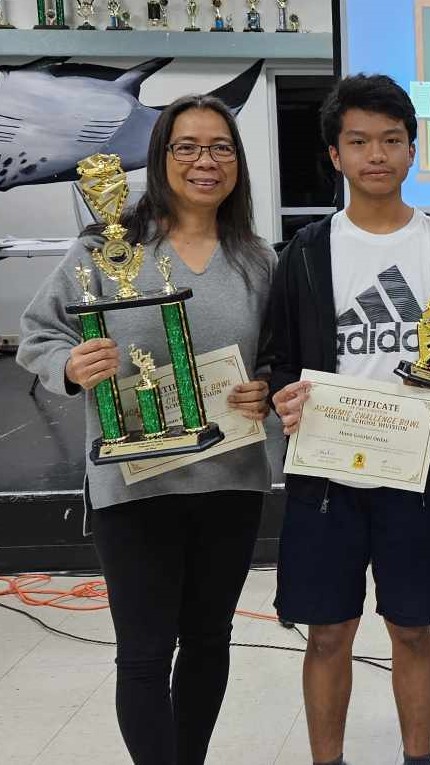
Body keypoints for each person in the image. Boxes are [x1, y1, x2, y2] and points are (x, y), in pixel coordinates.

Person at [18, 94, 274, 765]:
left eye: (220, 147)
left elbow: (279, 355)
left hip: (230, 481)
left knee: (210, 639)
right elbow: (38, 334)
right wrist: (69, 363)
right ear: (159, 159)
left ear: (238, 163)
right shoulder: (104, 247)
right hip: (133, 486)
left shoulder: (258, 259)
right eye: (185, 146)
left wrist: (267, 384)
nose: (204, 161)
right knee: (143, 654)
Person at [263, 73, 430, 765]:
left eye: (392, 140)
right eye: (358, 141)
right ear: (335, 154)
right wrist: (282, 392)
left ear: (413, 149)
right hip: (325, 472)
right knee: (328, 632)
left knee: (414, 628)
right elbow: (276, 357)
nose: (376, 154)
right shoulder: (304, 251)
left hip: (416, 471)